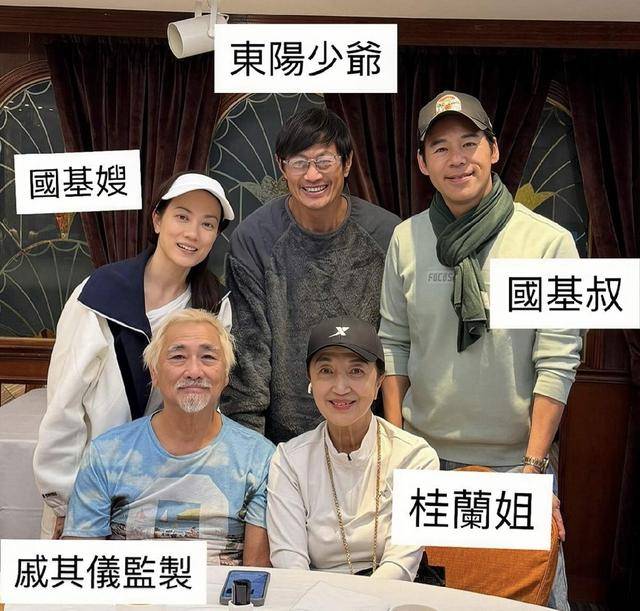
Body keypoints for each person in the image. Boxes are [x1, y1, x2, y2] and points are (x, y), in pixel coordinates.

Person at [378, 90, 581, 609]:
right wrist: (399, 450)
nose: (458, 159)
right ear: (422, 163)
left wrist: (533, 469)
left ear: (493, 149)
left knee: (523, 597)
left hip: (515, 462)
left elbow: (557, 361)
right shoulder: (406, 239)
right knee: (422, 599)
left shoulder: (548, 243)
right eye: (440, 148)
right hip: (425, 460)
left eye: (469, 143)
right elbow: (394, 343)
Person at [33, 171, 234, 539]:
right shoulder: (100, 293)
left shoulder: (213, 305)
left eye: (208, 224)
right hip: (88, 484)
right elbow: (65, 403)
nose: (193, 233)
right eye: (182, 216)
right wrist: (64, 496)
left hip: (163, 490)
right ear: (157, 219)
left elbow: (207, 404)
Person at [222, 108, 400, 444]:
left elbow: (397, 343)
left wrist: (395, 439)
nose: (312, 175)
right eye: (299, 162)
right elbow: (248, 357)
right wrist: (251, 453)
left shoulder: (388, 234)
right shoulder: (255, 239)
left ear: (347, 163)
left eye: (324, 161)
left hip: (370, 435)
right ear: (282, 167)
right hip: (280, 442)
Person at [63, 308, 274, 566]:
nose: (194, 371)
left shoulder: (259, 458)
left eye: (208, 357)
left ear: (226, 375)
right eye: (178, 357)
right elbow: (77, 566)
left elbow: (257, 575)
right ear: (154, 373)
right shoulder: (106, 454)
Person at [267, 316, 439, 580]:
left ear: (379, 382)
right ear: (310, 380)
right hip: (313, 595)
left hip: (392, 594)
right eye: (326, 371)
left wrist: (359, 600)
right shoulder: (289, 461)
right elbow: (289, 563)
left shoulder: (414, 457)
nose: (340, 388)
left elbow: (402, 562)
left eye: (356, 371)